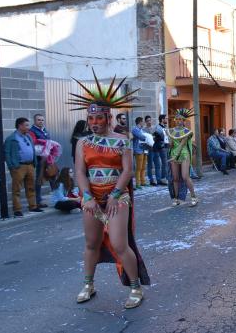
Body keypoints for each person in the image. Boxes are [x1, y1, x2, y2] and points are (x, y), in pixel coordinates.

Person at [67, 70, 149, 309]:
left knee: (119, 243)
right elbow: (80, 172)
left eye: (98, 118)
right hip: (91, 199)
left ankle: (135, 287)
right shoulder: (82, 142)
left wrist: (114, 195)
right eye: (90, 119)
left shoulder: (122, 140)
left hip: (117, 197)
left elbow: (127, 171)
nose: (94, 123)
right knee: (91, 243)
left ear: (108, 117)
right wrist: (87, 197)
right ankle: (88, 284)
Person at [3, 117, 43, 217]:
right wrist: (12, 166)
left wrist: (34, 163)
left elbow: (32, 149)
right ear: (20, 126)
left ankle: (33, 206)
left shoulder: (28, 136)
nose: (28, 127)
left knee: (31, 187)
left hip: (30, 165)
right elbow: (7, 153)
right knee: (16, 189)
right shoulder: (11, 138)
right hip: (18, 167)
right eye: (26, 125)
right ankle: (17, 210)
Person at [166, 108, 198, 206]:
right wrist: (169, 142)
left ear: (184, 121)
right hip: (173, 155)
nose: (179, 121)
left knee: (185, 176)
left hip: (184, 154)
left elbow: (181, 145)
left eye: (181, 119)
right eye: (177, 119)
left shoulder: (187, 131)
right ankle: (176, 198)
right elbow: (171, 145)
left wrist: (174, 156)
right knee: (175, 178)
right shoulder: (170, 131)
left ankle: (194, 197)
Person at [29, 113, 57, 207]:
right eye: (39, 120)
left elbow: (48, 143)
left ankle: (57, 197)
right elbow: (34, 143)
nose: (41, 121)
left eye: (42, 120)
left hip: (48, 158)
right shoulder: (32, 131)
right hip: (40, 159)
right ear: (34, 121)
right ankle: (38, 201)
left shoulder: (45, 130)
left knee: (53, 176)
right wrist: (45, 143)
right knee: (39, 179)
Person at [131, 117, 148, 189]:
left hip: (144, 150)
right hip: (138, 150)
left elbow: (145, 137)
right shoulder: (135, 129)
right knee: (138, 168)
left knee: (143, 167)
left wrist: (148, 137)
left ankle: (143, 182)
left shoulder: (141, 130)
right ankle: (138, 183)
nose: (143, 123)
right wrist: (148, 137)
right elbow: (142, 137)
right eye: (142, 122)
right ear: (139, 122)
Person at [153, 115, 169, 185]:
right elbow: (162, 136)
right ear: (162, 119)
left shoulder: (164, 127)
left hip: (164, 147)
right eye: (166, 118)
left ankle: (163, 178)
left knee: (165, 163)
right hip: (159, 147)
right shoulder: (158, 127)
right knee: (161, 164)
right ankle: (161, 179)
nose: (167, 120)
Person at [143, 115, 157, 186]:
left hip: (155, 149)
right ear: (145, 122)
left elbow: (156, 138)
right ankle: (151, 179)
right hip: (149, 149)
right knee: (150, 165)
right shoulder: (144, 130)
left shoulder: (154, 129)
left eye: (150, 120)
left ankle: (158, 179)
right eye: (148, 121)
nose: (149, 122)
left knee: (156, 165)